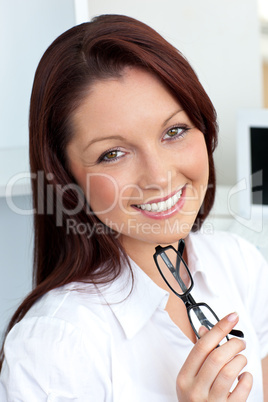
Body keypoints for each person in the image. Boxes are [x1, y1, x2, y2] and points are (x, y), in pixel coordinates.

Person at [0, 14, 267, 401]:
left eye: (174, 131)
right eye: (113, 153)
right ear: (67, 177)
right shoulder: (53, 346)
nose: (158, 176)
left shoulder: (240, 264)